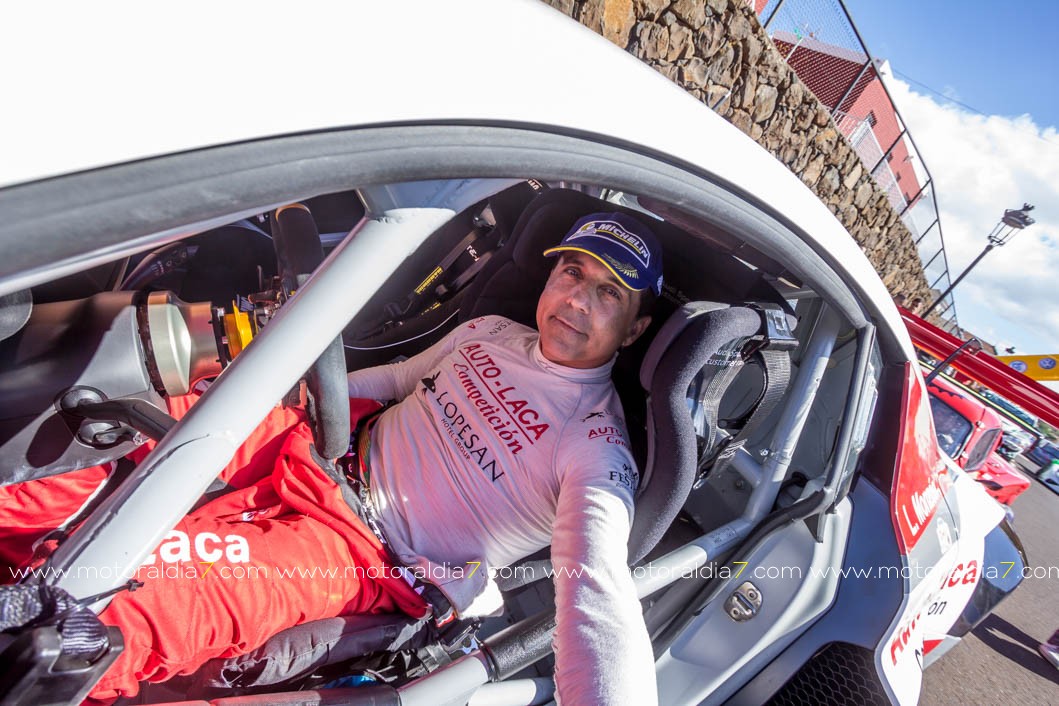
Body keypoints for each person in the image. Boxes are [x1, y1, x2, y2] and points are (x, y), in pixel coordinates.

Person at [0, 212, 662, 705]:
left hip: (365, 551)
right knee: (111, 422)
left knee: (152, 597)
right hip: (318, 444)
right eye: (572, 272)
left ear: (634, 329)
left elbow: (596, 593)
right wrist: (284, 390)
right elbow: (392, 380)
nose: (577, 300)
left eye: (609, 293)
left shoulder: (595, 448)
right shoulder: (491, 332)